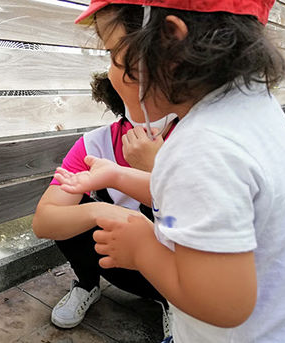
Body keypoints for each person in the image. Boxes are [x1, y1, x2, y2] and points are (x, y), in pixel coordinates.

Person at [54, 1, 285, 342]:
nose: (110, 73)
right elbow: (210, 205)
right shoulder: (255, 113)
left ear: (170, 41)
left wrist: (141, 247)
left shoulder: (203, 146)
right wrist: (118, 176)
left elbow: (224, 303)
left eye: (113, 54)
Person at [32, 70, 178, 334]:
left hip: (174, 269)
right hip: (114, 260)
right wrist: (101, 211)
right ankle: (87, 284)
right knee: (73, 208)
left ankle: (173, 302)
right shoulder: (95, 145)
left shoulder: (193, 143)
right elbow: (44, 222)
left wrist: (155, 168)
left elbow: (195, 222)